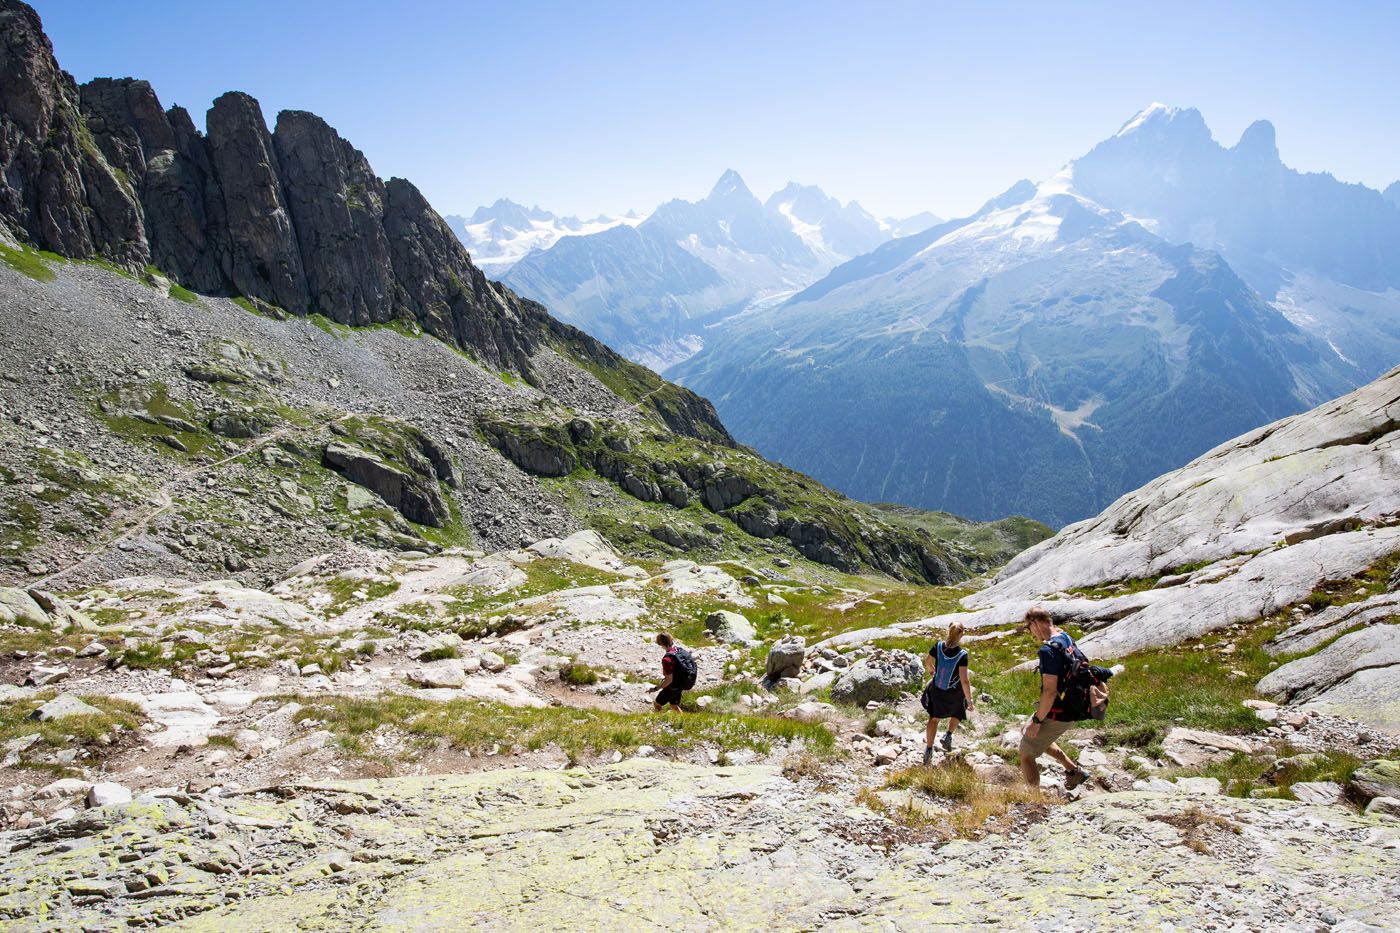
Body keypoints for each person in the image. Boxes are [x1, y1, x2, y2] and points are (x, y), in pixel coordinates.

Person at [1018, 607, 1094, 790]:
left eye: (1029, 628)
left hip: (1060, 709)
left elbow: (1050, 692)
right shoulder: (1065, 637)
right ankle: (1073, 771)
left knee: (1026, 753)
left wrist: (1037, 720)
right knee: (1028, 731)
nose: (1031, 633)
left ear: (1035, 623)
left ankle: (1034, 801)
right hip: (1076, 702)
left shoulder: (1048, 650)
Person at [921, 620, 974, 764]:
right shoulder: (962, 654)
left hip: (937, 688)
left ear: (948, 630)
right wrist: (969, 700)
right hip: (954, 691)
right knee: (958, 711)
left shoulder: (938, 646)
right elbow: (964, 680)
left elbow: (927, 662)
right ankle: (948, 735)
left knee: (934, 718)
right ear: (961, 634)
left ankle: (929, 749)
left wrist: (933, 672)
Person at [653, 632, 697, 713]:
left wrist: (656, 688)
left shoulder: (667, 659)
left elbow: (669, 680)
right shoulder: (680, 650)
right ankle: (682, 720)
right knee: (674, 705)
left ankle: (658, 720)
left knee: (657, 704)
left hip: (672, 687)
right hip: (681, 684)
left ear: (661, 643)